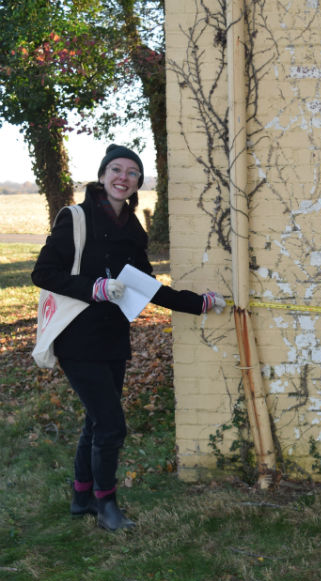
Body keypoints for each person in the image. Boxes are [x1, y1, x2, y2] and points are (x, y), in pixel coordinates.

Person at [31, 144, 226, 531]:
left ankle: (81, 497)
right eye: (116, 170)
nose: (123, 177)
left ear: (138, 182)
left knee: (96, 421)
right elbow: (43, 273)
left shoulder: (134, 228)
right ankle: (107, 506)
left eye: (132, 172)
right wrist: (95, 288)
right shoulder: (76, 218)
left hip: (113, 337)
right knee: (111, 424)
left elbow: (145, 287)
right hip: (77, 337)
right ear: (102, 176)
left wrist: (196, 303)